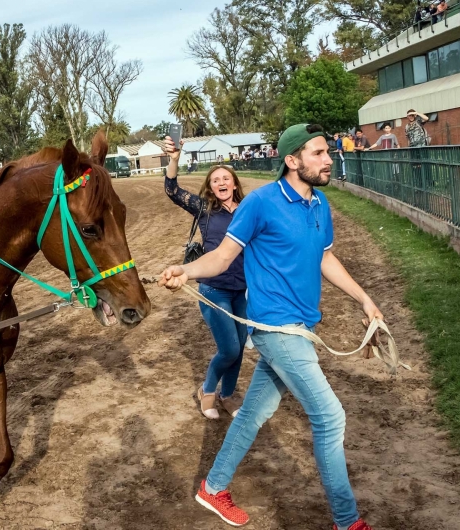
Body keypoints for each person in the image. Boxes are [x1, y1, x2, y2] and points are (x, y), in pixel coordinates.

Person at [159, 123, 382, 530]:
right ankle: (348, 522)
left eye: (328, 151)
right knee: (330, 417)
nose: (329, 158)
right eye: (318, 153)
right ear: (292, 160)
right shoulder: (260, 203)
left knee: (253, 413)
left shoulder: (319, 205)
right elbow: (223, 257)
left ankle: (213, 487)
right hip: (275, 328)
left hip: (300, 326)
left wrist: (365, 299)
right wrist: (186, 271)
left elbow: (325, 258)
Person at [163, 137, 247, 420]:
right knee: (230, 349)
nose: (221, 183)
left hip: (243, 291)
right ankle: (208, 390)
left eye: (226, 178)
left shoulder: (249, 209)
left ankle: (228, 395)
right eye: (215, 181)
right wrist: (174, 158)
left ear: (234, 183)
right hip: (214, 290)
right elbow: (172, 190)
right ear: (210, 188)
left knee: (240, 349)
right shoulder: (204, 209)